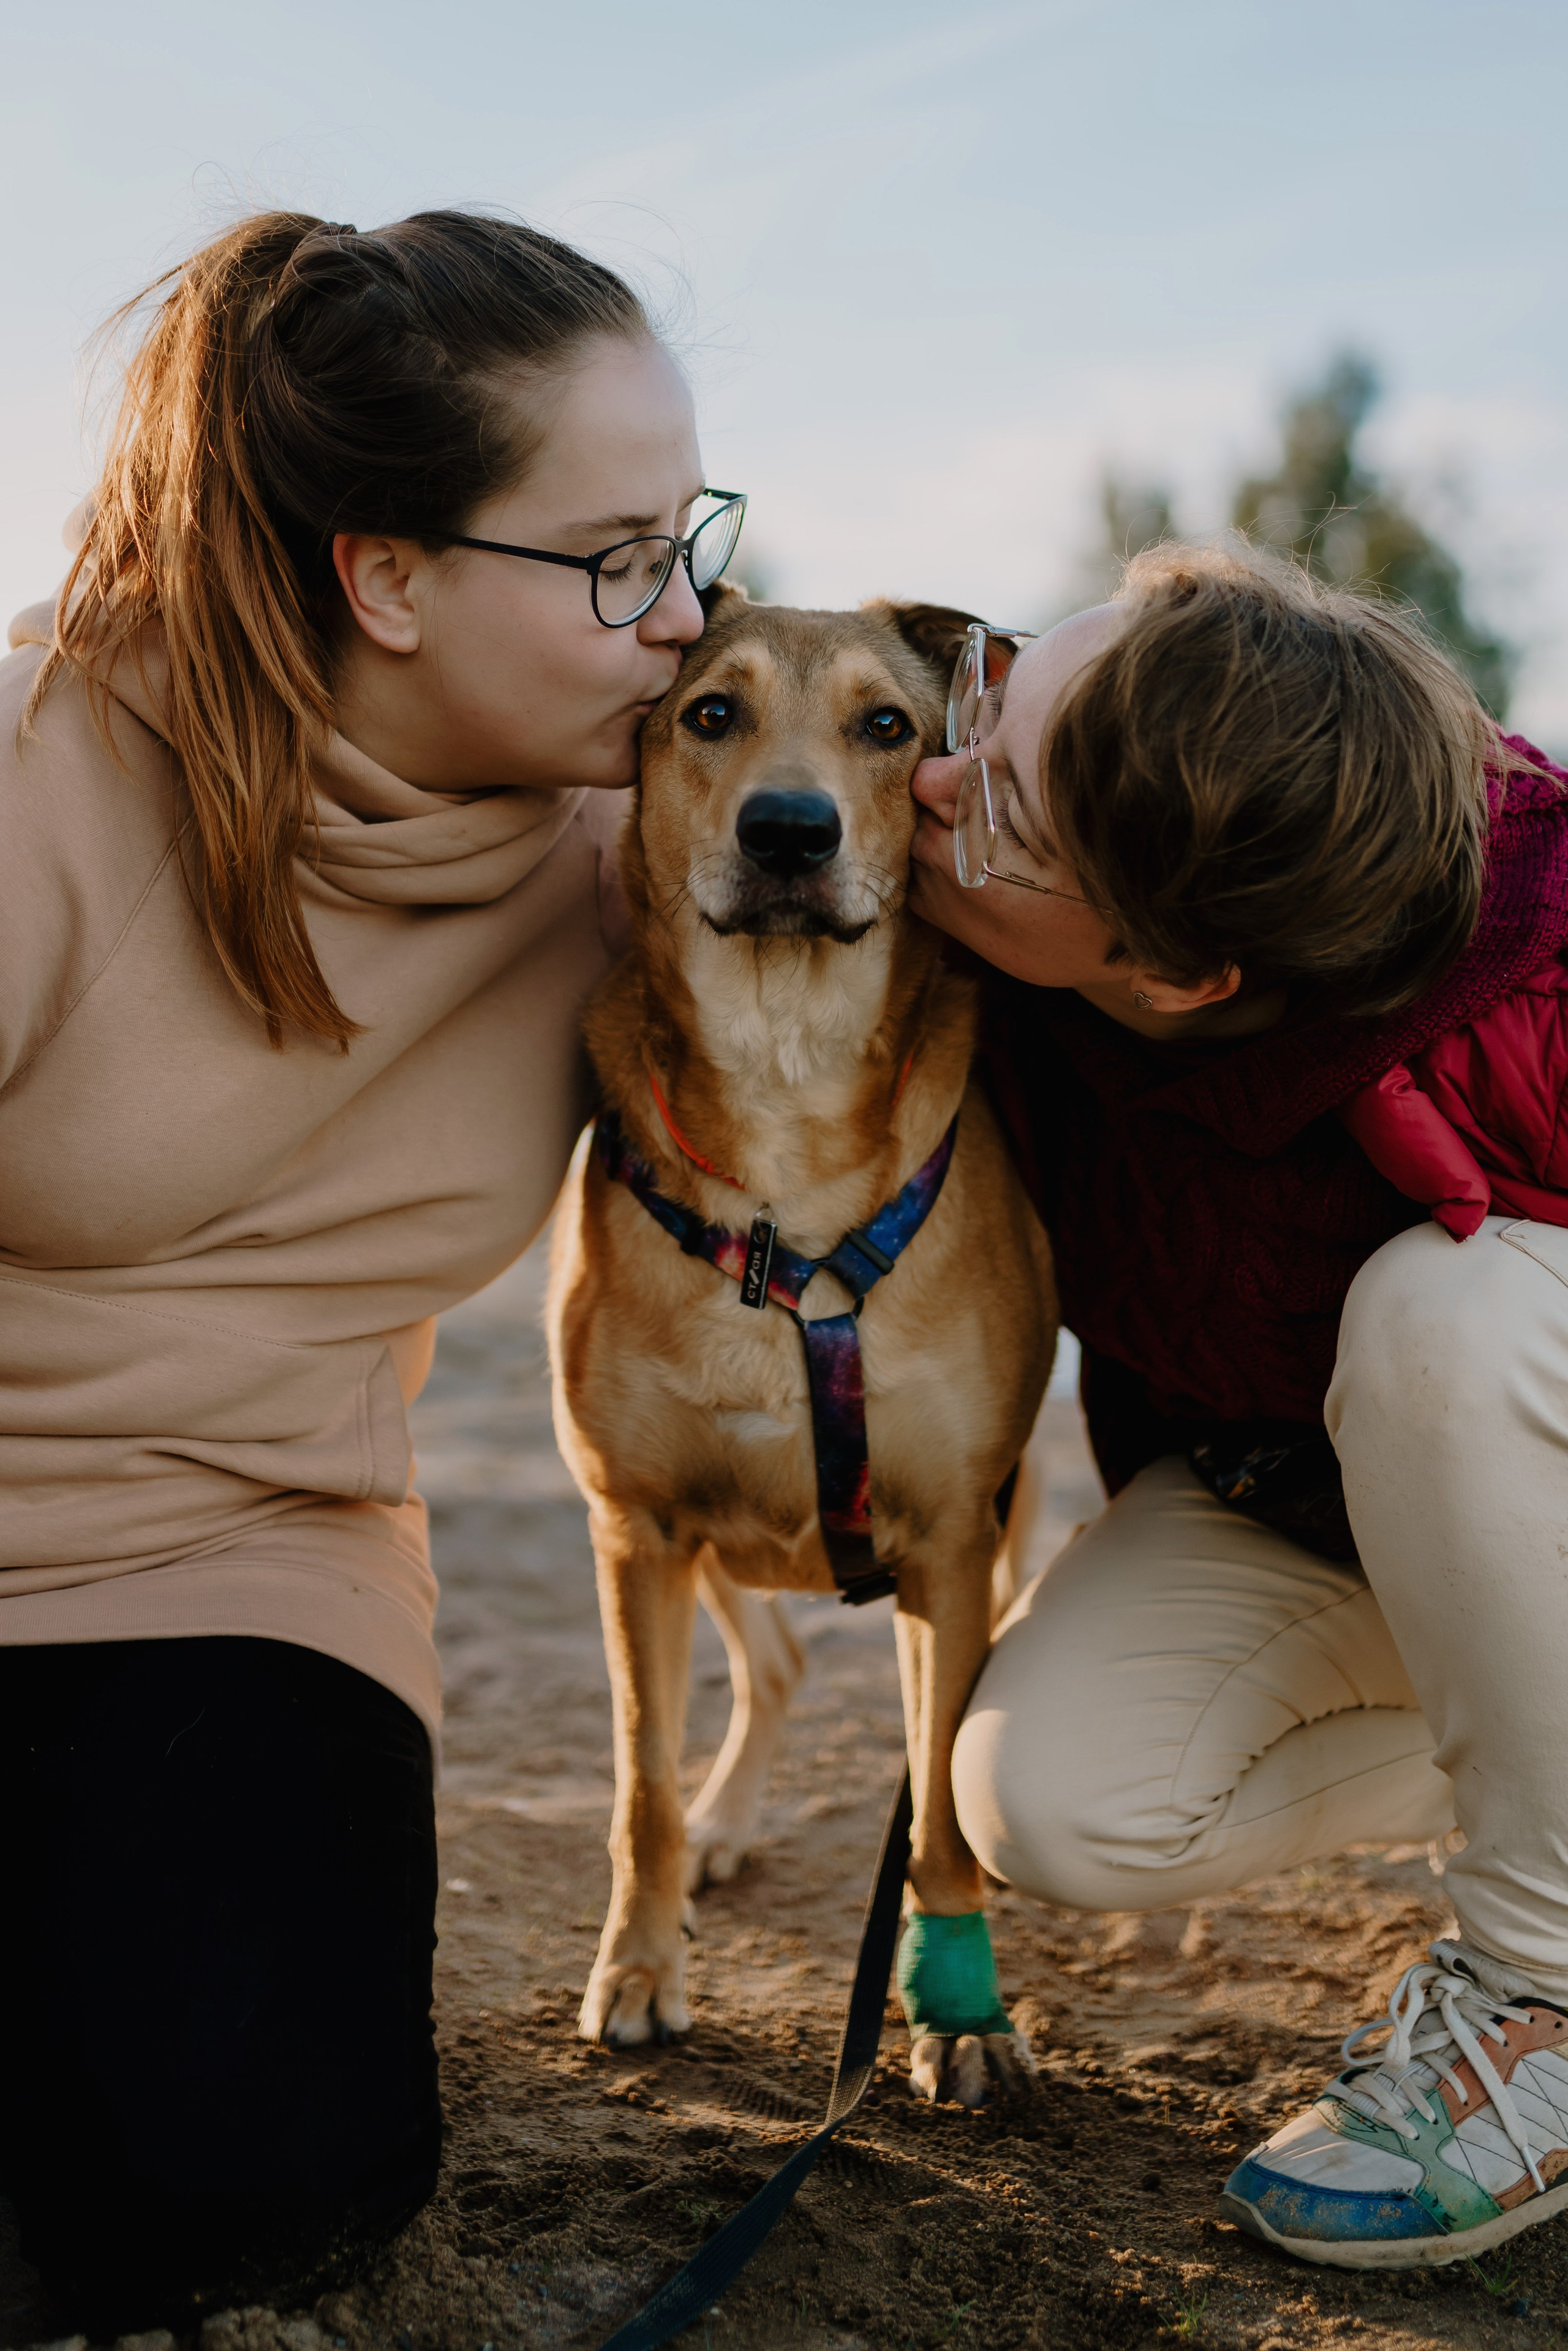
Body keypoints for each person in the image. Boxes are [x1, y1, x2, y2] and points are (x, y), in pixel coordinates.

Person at [0, 206, 744, 2332]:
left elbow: (1078, 837)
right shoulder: (39, 769)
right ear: (388, 576)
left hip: (248, 1562)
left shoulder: (647, 853)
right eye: (615, 558)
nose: (681, 613)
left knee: (242, 2186)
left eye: (687, 535)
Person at [908, 540, 1568, 2268]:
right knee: (1056, 1800)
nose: (928, 782)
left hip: (1509, 1427)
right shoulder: (1033, 923)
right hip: (1307, 1485)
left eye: (997, 809)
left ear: (1180, 972)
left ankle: (1543, 1997)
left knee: (1455, 1304)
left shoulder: (1543, 993)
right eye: (987, 703)